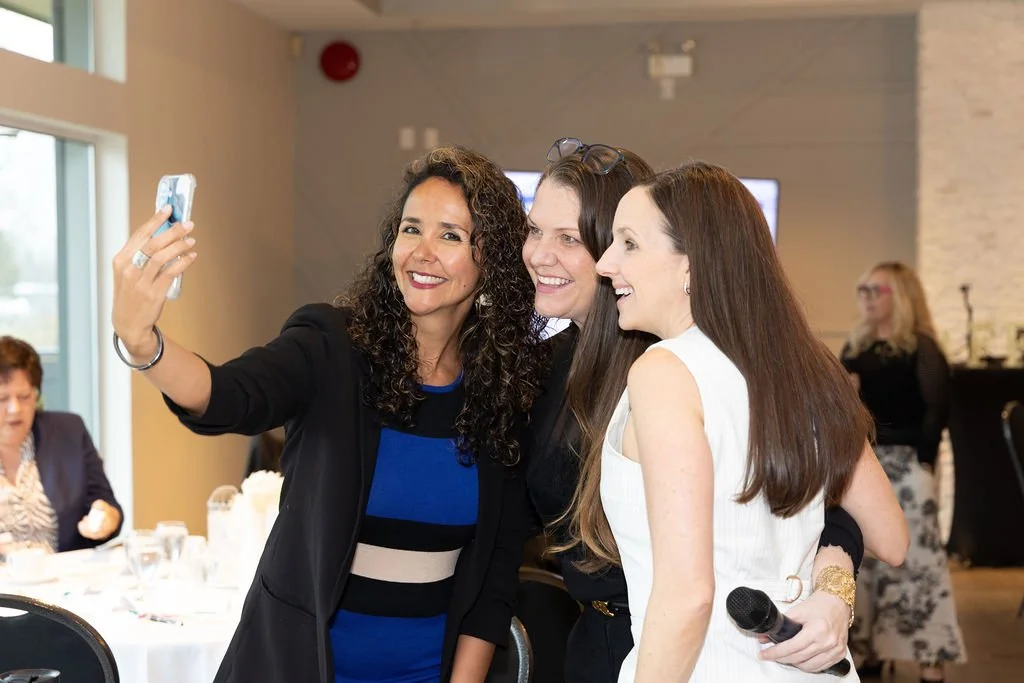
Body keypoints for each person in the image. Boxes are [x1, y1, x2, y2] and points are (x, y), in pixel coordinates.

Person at [110, 146, 545, 683]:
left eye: (451, 236)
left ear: (493, 261)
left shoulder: (501, 392)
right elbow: (227, 394)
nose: (422, 252)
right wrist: (142, 343)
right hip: (298, 667)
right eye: (411, 229)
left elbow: (495, 574)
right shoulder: (331, 347)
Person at [521, 141, 880, 681]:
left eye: (571, 238)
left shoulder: (675, 362)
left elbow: (832, 507)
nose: (541, 254)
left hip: (694, 649)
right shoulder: (541, 370)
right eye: (533, 230)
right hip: (616, 644)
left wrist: (834, 587)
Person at [842, 261, 965, 683]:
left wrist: (922, 466)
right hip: (864, 465)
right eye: (863, 289)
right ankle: (869, 650)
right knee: (867, 564)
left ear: (901, 295)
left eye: (876, 289)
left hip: (908, 466)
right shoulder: (856, 347)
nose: (867, 297)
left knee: (917, 563)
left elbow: (936, 411)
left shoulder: (921, 348)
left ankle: (930, 654)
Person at [0, 336, 123, 553]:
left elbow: (105, 504)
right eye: (2, 399)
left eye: (25, 396)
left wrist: (104, 518)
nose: (15, 409)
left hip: (62, 581)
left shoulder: (69, 432)